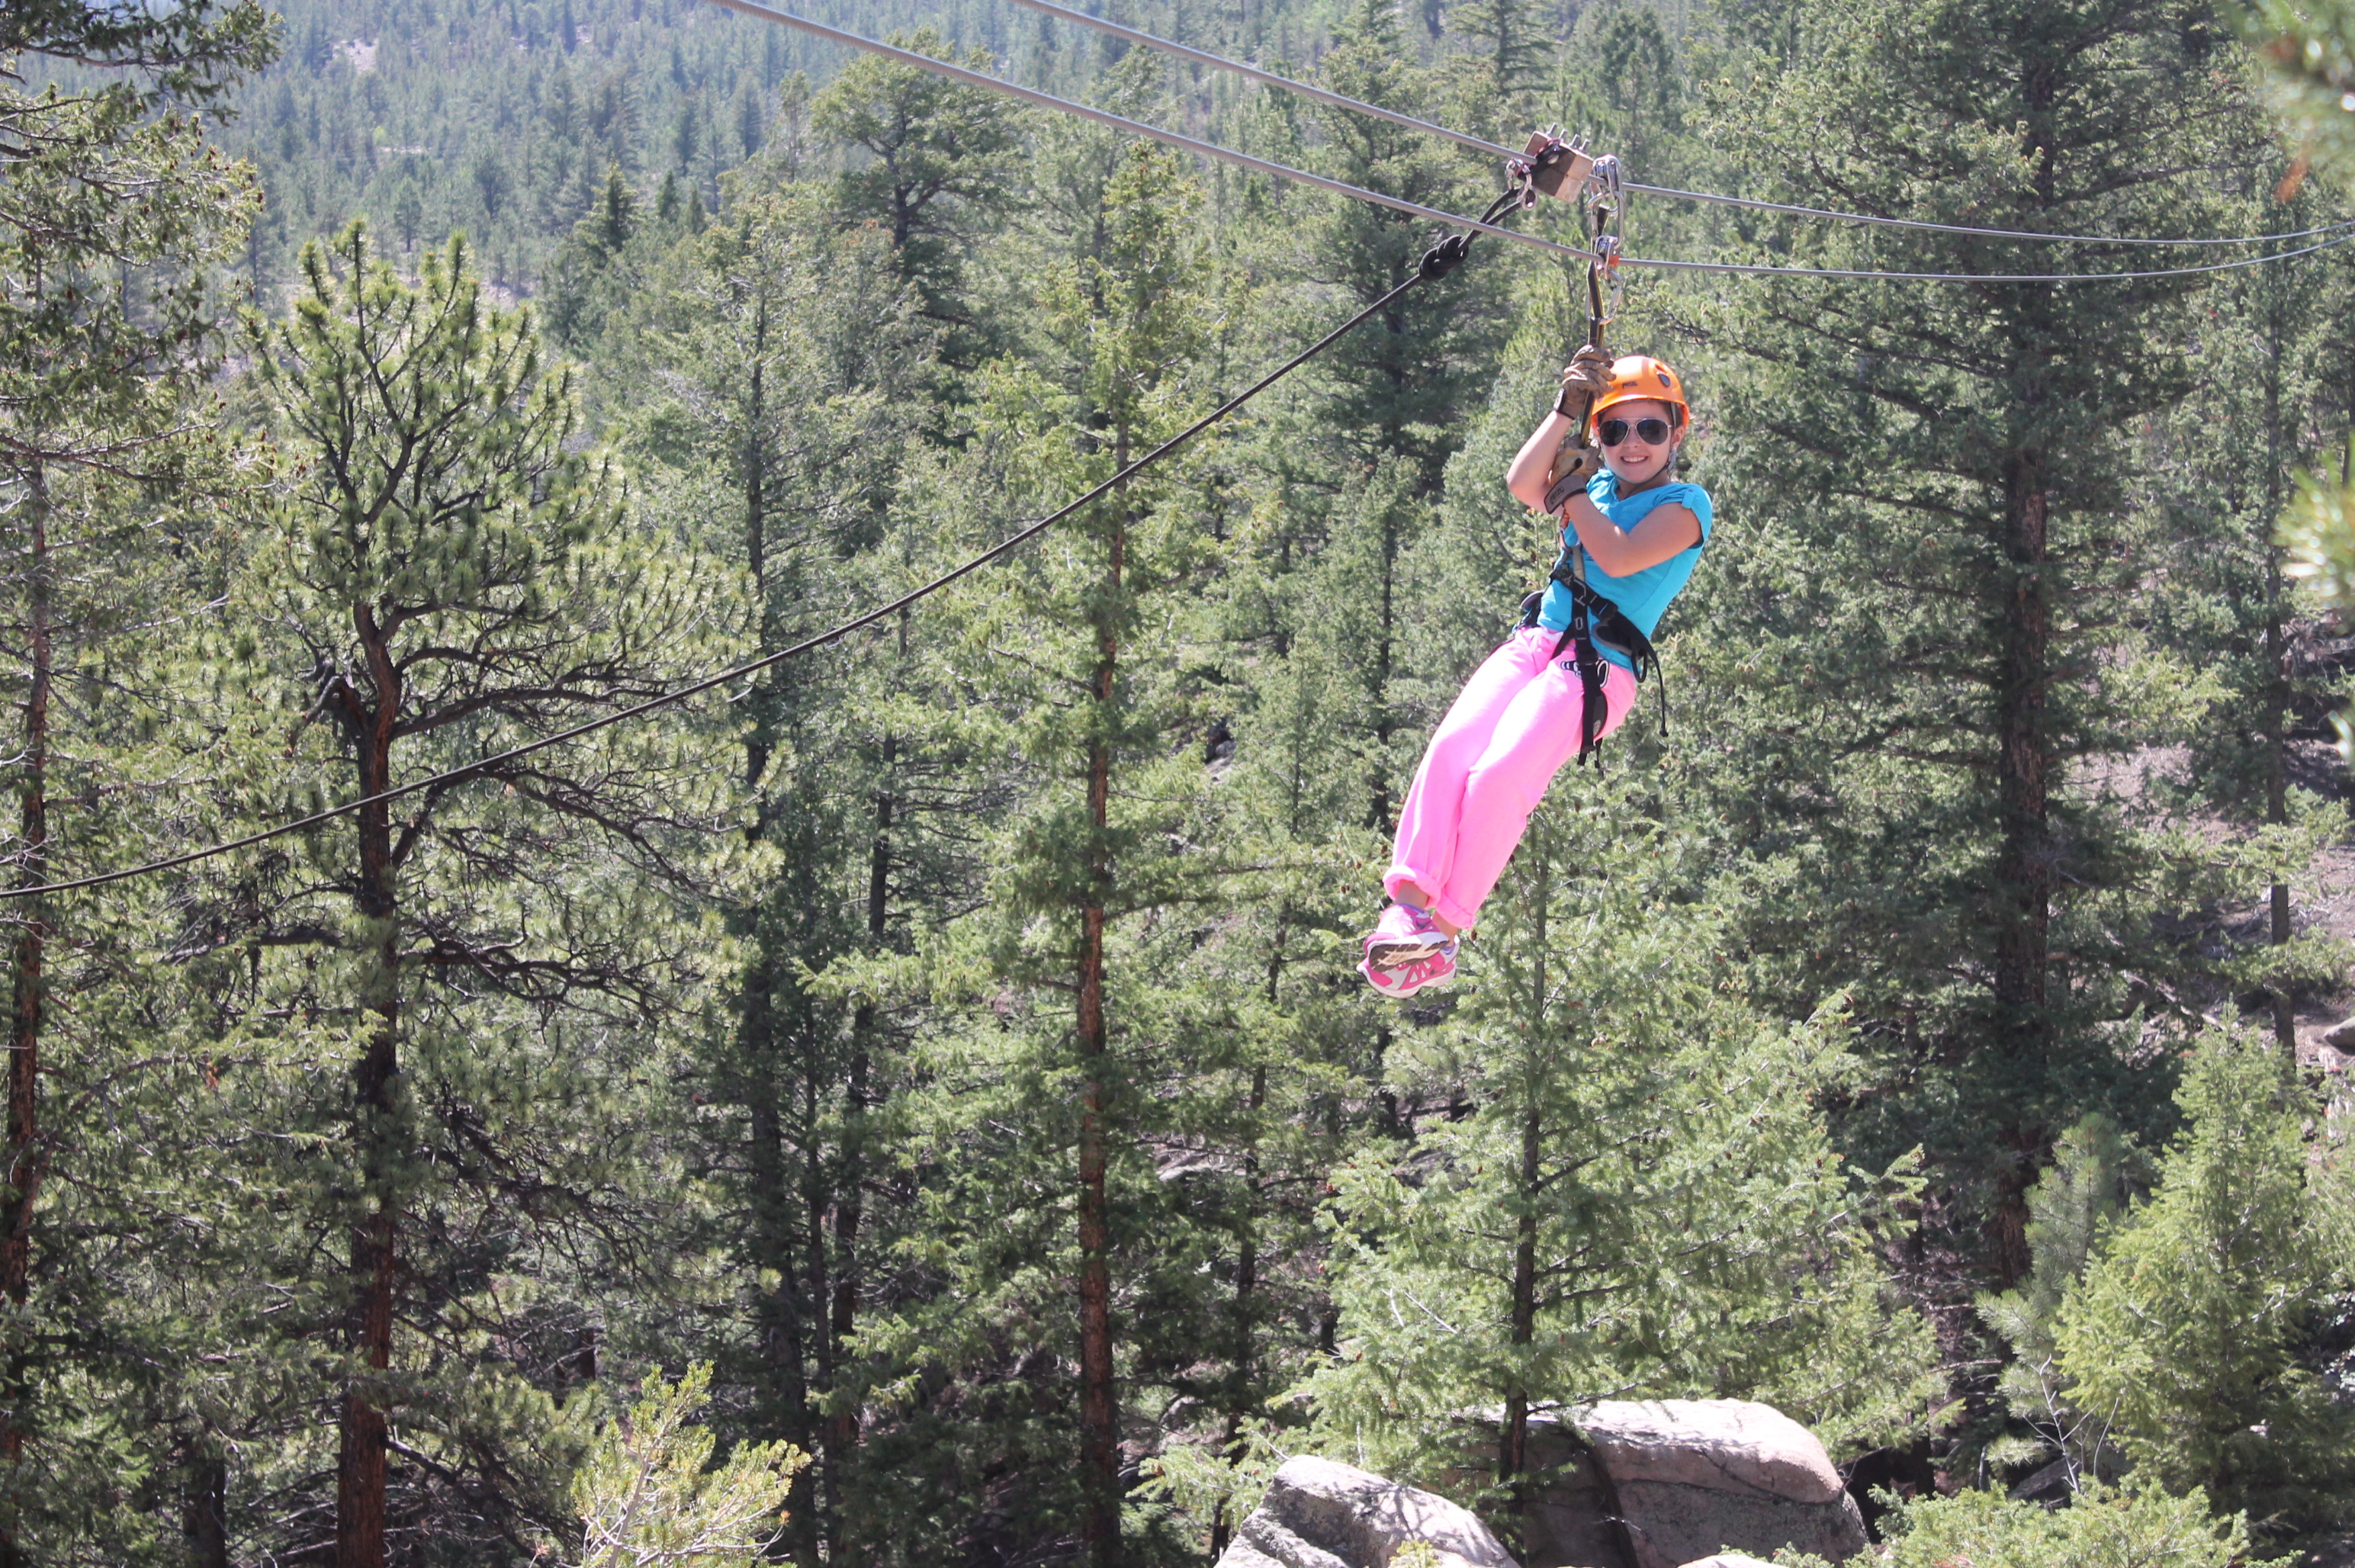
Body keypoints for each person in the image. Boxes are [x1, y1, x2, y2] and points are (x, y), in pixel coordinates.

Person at [1358, 346, 1713, 997]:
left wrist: (1573, 488)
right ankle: (1406, 906)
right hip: (1538, 642)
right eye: (1614, 429)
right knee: (1450, 753)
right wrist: (1564, 412)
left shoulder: (1688, 508)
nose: (1632, 443)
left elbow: (1619, 554)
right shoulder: (1598, 483)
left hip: (1598, 669)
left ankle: (1443, 930)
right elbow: (1524, 484)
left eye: (1650, 429)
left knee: (1499, 774)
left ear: (1676, 433)